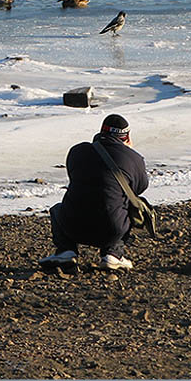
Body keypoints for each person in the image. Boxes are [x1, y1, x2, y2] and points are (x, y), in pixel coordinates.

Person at [40, 114, 149, 271]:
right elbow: (139, 188)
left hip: (72, 225)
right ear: (126, 136)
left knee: (58, 208)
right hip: (111, 229)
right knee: (127, 204)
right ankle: (113, 254)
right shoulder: (135, 159)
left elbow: (75, 178)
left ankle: (66, 251)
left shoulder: (77, 151)